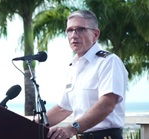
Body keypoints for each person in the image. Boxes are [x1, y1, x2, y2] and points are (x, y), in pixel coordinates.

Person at [46, 9, 128, 139]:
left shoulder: (109, 62)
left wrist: (72, 129)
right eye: (70, 30)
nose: (74, 35)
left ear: (95, 34)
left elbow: (107, 104)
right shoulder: (73, 67)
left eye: (80, 29)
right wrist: (31, 123)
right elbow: (63, 108)